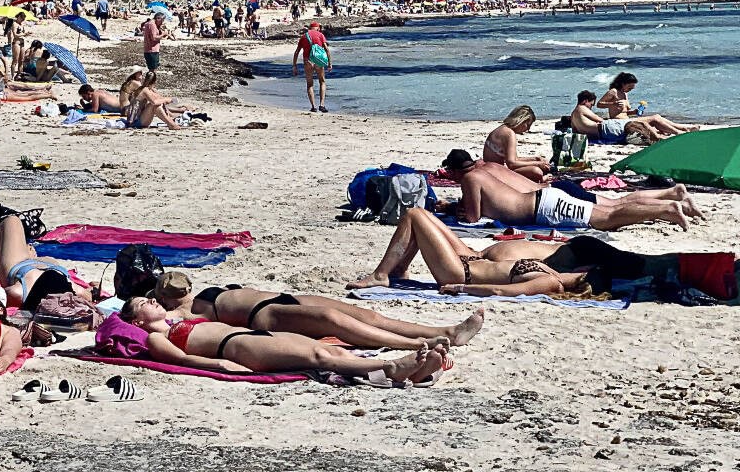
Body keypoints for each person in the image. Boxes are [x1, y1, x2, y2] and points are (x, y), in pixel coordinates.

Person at [348, 206, 724, 299]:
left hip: (459, 273)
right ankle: (396, 270)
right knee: (425, 217)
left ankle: (384, 274)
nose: (584, 270)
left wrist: (461, 290)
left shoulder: (547, 282)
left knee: (415, 215)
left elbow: (500, 291)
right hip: (473, 260)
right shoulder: (560, 274)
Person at [120, 296, 448, 386]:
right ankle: (390, 366)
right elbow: (181, 360)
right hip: (235, 347)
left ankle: (417, 373)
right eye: (143, 304)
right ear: (136, 321)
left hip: (252, 337)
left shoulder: (181, 318)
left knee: (328, 350)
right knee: (320, 359)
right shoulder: (155, 337)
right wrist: (218, 365)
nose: (151, 302)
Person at [154, 271, 483, 352]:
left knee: (364, 315)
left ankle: (447, 331)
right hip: (266, 317)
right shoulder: (184, 316)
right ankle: (410, 344)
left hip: (285, 297)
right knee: (335, 322)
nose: (181, 287)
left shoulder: (199, 294)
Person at [440, 148, 691, 232]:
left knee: (608, 218)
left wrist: (456, 212)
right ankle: (665, 207)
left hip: (544, 206)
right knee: (611, 211)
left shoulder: (470, 179)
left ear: (454, 170)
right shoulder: (485, 169)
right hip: (545, 198)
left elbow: (473, 217)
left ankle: (667, 207)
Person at [597, 74, 695, 135]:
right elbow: (599, 104)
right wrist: (612, 103)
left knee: (657, 117)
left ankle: (682, 128)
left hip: (627, 120)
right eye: (629, 87)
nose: (630, 89)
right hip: (619, 123)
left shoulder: (625, 94)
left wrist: (634, 111)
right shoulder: (613, 92)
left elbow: (624, 112)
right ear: (623, 83)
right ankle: (679, 131)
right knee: (655, 118)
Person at [483, 106, 551, 180]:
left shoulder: (503, 129)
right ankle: (541, 180)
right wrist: (538, 164)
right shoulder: (509, 134)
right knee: (536, 171)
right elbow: (512, 164)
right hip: (496, 172)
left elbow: (514, 159)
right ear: (521, 120)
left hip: (491, 168)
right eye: (528, 125)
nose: (528, 129)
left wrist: (535, 159)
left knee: (537, 168)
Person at [572, 91, 662, 144]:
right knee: (644, 122)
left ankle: (656, 134)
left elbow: (576, 132)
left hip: (604, 134)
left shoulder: (573, 115)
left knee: (636, 128)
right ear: (585, 101)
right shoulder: (582, 108)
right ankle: (659, 137)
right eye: (591, 104)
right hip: (606, 128)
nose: (591, 107)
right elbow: (599, 120)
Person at [292, 22, 332, 113]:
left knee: (310, 84)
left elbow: (296, 52)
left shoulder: (304, 36)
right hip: (318, 61)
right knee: (322, 81)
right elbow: (327, 49)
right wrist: (329, 63)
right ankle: (322, 105)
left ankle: (313, 107)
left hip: (308, 61)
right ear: (318, 28)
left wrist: (294, 66)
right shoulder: (320, 35)